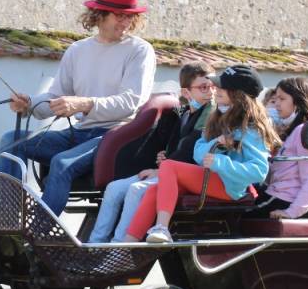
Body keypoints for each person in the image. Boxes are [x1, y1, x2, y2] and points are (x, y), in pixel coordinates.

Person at [0, 0, 157, 216]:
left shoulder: (140, 51)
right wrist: (29, 104)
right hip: (80, 134)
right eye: (119, 15)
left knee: (61, 163)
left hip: (116, 136)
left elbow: (131, 102)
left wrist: (84, 103)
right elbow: (56, 97)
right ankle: (9, 219)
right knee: (11, 140)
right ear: (99, 15)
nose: (125, 22)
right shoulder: (77, 50)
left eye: (129, 16)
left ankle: (40, 231)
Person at [123, 65, 274, 244]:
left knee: (169, 165)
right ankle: (125, 247)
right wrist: (215, 143)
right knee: (154, 191)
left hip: (229, 187)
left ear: (238, 94)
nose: (215, 89)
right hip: (211, 179)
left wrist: (220, 162)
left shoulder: (251, 128)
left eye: (221, 87)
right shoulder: (217, 118)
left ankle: (162, 228)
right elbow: (198, 151)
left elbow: (259, 172)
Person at [87, 62, 215, 243]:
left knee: (136, 189)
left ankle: (118, 246)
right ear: (186, 93)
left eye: (212, 86)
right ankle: (95, 243)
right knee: (114, 188)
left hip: (186, 174)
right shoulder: (184, 114)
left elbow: (190, 148)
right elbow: (176, 143)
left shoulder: (210, 114)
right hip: (169, 168)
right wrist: (165, 156)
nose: (210, 92)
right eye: (203, 87)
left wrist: (161, 169)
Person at [243, 78, 308, 219]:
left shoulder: (303, 130)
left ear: (298, 103)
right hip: (278, 193)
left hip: (284, 198)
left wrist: (291, 212)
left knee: (240, 216)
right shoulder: (292, 130)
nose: (277, 104)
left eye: (282, 99)